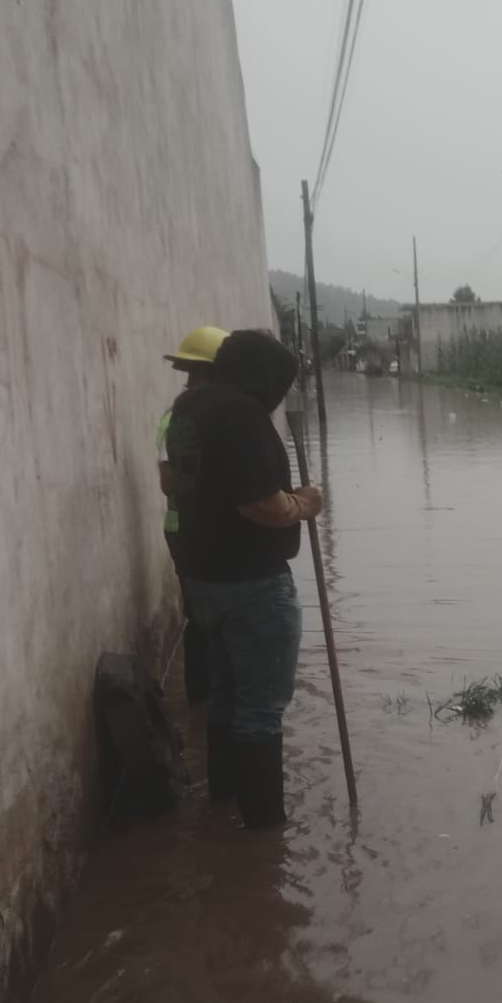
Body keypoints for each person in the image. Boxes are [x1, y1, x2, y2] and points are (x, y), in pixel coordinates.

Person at [165, 329, 321, 828]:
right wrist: (304, 504)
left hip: (205, 578)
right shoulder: (242, 415)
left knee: (227, 696)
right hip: (253, 584)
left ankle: (225, 803)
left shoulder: (188, 409)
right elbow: (259, 504)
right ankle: (265, 837)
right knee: (261, 709)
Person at [158, 327, 225, 705]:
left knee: (197, 610)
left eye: (192, 372)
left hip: (181, 526)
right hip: (193, 528)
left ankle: (202, 703)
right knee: (205, 615)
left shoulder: (180, 411)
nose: (190, 381)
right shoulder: (200, 416)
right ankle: (207, 700)